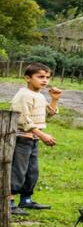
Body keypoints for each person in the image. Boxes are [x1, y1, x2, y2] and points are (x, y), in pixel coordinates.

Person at [9, 62, 62, 216]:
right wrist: (42, 134)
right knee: (17, 170)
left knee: (32, 171)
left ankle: (26, 200)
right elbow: (22, 119)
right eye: (40, 77)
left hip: (33, 139)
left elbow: (47, 115)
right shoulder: (23, 95)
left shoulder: (38, 95)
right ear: (27, 78)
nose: (45, 80)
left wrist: (54, 99)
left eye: (47, 77)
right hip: (21, 139)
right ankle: (9, 202)